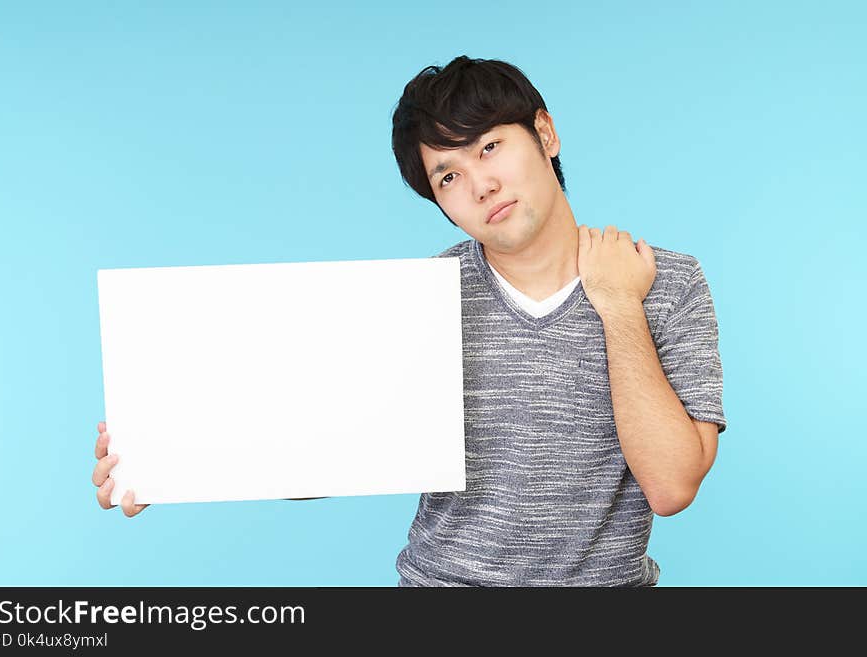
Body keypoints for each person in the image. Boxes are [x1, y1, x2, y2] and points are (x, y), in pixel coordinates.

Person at [92, 55, 727, 587]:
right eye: (449, 174)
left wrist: (618, 304)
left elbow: (670, 486)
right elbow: (336, 450)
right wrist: (173, 461)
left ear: (546, 133)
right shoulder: (421, 298)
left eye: (491, 147)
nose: (480, 184)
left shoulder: (662, 281)